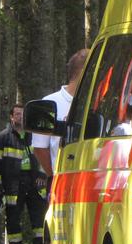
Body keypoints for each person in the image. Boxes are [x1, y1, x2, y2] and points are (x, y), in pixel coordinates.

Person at [0, 104, 48, 244]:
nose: (20, 117)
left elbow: (43, 156)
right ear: (11, 117)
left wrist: (43, 174)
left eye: (22, 114)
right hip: (12, 182)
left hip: (34, 180)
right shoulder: (3, 137)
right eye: (17, 114)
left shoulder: (34, 135)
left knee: (39, 213)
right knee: (13, 215)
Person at [32, 49, 89, 183]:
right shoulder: (48, 103)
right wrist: (53, 177)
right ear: (84, 72)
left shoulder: (96, 104)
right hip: (61, 182)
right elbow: (39, 148)